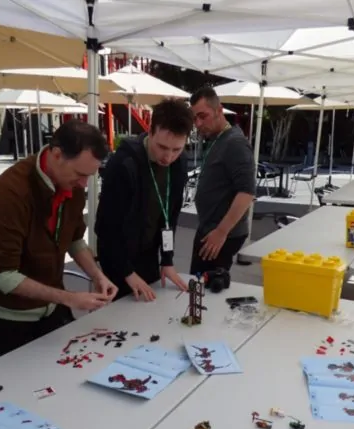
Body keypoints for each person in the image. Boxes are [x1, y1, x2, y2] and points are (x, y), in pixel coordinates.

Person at [0, 119, 118, 358]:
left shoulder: (72, 185)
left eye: (90, 176)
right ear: (57, 154)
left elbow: (74, 240)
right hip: (9, 314)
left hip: (51, 306)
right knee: (24, 377)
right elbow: (3, 277)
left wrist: (97, 275)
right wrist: (70, 298)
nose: (83, 184)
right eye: (80, 174)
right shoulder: (10, 193)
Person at [96, 98, 193, 301]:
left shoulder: (180, 163)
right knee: (125, 313)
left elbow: (171, 214)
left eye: (176, 149)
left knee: (153, 308)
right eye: (162, 147)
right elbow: (105, 228)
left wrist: (167, 259)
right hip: (118, 257)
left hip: (149, 253)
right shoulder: (123, 164)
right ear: (150, 131)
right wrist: (127, 272)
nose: (168, 157)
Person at [189, 86, 256, 275]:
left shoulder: (235, 143)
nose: (198, 123)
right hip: (210, 229)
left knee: (202, 286)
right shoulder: (218, 139)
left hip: (220, 233)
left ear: (219, 110)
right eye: (195, 118)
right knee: (198, 283)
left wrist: (221, 232)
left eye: (203, 116)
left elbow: (246, 192)